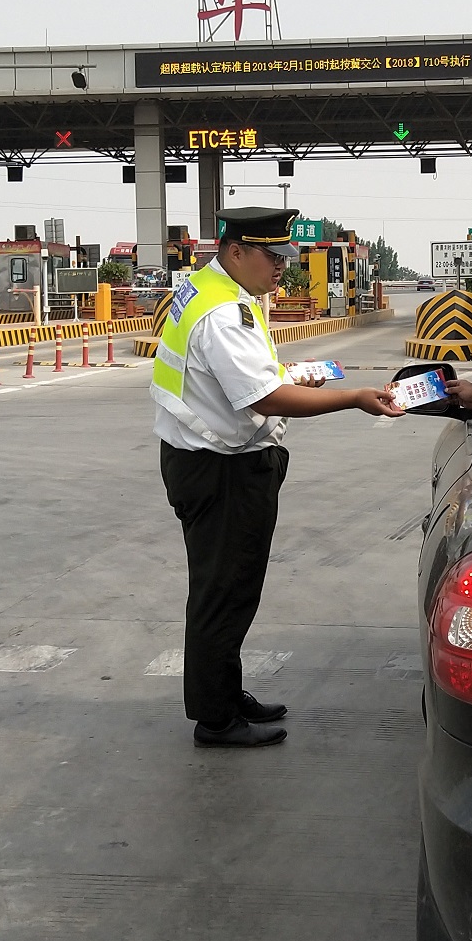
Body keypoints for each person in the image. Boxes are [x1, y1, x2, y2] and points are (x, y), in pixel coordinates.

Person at [152, 207, 406, 747]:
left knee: (228, 588)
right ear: (236, 251)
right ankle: (216, 720)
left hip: (202, 457)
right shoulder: (224, 314)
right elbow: (263, 398)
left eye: (286, 258)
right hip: (221, 469)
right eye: (273, 257)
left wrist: (289, 376)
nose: (282, 268)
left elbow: (240, 378)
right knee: (224, 593)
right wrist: (353, 398)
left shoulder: (209, 289)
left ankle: (224, 693)